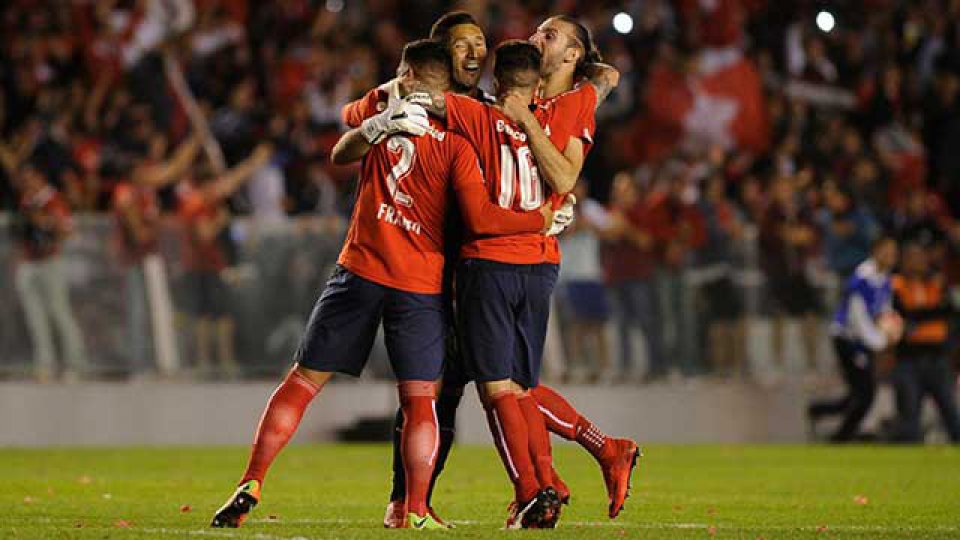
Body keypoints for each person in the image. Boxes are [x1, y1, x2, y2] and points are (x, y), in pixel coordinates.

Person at [210, 39, 561, 530]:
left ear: (412, 75)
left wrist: (375, 125)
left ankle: (252, 479)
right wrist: (538, 219)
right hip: (418, 285)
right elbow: (482, 218)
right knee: (421, 400)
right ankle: (414, 509)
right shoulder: (459, 140)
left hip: (358, 271)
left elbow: (339, 148)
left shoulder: (383, 109)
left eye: (400, 69)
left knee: (303, 381)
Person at [374, 12, 637, 528]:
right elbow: (607, 79)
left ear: (571, 57)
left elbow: (566, 163)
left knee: (484, 387)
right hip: (507, 262)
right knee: (510, 386)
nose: (540, 35)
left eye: (553, 33)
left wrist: (550, 188)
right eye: (539, 29)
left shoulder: (563, 105)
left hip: (495, 262)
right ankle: (557, 476)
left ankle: (524, 486)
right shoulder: (519, 102)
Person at [178, 143, 273, 378]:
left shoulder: (206, 199)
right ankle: (206, 363)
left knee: (221, 315)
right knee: (205, 317)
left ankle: (223, 362)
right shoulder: (196, 205)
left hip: (212, 265)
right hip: (200, 267)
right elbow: (203, 236)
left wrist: (253, 161)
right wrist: (220, 221)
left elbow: (233, 181)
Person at [113, 135, 201, 377]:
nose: (148, 171)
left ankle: (161, 363)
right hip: (134, 261)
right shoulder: (126, 193)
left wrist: (193, 141)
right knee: (139, 313)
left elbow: (172, 169)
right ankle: (139, 366)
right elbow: (139, 233)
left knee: (157, 310)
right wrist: (164, 223)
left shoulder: (143, 187)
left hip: (150, 259)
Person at [808, 236, 903, 442]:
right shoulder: (861, 278)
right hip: (847, 339)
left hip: (865, 339)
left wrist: (890, 328)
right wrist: (880, 341)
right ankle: (840, 438)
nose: (890, 257)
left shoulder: (885, 279)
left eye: (894, 253)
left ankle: (818, 410)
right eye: (886, 252)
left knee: (858, 393)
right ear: (875, 251)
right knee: (866, 393)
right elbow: (856, 318)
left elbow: (884, 311)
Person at [11, 163, 88, 381]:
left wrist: (46, 222)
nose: (26, 183)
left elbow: (68, 230)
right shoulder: (26, 201)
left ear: (39, 177)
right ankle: (45, 364)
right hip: (29, 262)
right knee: (35, 317)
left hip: (49, 262)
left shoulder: (52, 200)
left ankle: (76, 363)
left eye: (29, 178)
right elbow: (21, 232)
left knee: (59, 313)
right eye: (23, 179)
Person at [890, 241, 960, 443]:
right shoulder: (896, 284)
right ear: (903, 261)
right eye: (911, 258)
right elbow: (902, 314)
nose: (917, 262)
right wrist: (932, 313)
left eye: (920, 257)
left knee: (951, 415)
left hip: (938, 358)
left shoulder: (937, 284)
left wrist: (918, 317)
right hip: (908, 360)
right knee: (909, 418)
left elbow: (951, 312)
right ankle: (906, 467)